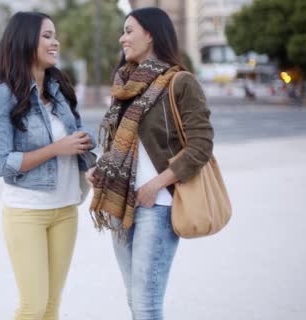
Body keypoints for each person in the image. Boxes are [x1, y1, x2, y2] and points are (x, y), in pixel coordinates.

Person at [86, 7, 214, 320]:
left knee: (146, 303)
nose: (122, 38)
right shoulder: (124, 86)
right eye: (122, 31)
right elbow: (119, 144)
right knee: (135, 299)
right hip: (121, 205)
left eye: (129, 30)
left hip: (158, 205)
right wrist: (101, 169)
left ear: (151, 34)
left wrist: (157, 183)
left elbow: (201, 145)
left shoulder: (181, 83)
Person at [0, 11, 96, 320]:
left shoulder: (58, 90)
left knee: (51, 306)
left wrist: (90, 160)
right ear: (24, 41)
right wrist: (57, 148)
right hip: (26, 213)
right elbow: (1, 163)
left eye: (54, 35)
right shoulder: (4, 95)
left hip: (65, 210)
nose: (55, 42)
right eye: (46, 36)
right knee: (32, 307)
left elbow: (78, 142)